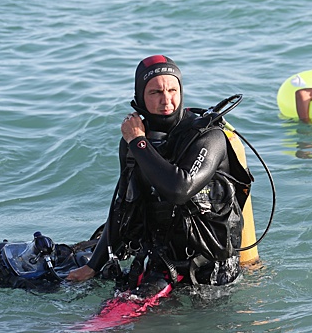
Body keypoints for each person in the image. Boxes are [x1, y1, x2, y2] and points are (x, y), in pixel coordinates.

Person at [67, 55, 252, 292]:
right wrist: (93, 265)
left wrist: (138, 142)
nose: (166, 100)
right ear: (140, 96)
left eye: (172, 90)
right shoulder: (134, 142)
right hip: (161, 259)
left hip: (211, 267)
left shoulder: (209, 137)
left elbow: (180, 189)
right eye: (155, 92)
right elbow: (122, 206)